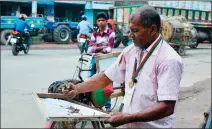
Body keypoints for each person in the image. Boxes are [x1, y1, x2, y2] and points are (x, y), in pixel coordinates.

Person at [62, 5, 184, 128]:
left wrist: (127, 117)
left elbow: (167, 107)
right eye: (130, 30)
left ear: (152, 30)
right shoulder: (131, 51)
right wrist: (77, 89)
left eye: (135, 31)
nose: (130, 35)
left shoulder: (169, 60)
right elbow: (106, 77)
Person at [88, 12, 115, 112]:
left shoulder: (111, 33)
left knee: (106, 84)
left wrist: (96, 47)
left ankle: (108, 107)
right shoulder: (94, 34)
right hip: (94, 60)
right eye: (99, 20)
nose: (101, 22)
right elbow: (90, 49)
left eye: (103, 20)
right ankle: (90, 103)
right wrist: (102, 47)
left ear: (106, 21)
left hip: (105, 61)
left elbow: (109, 49)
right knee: (90, 80)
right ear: (96, 22)